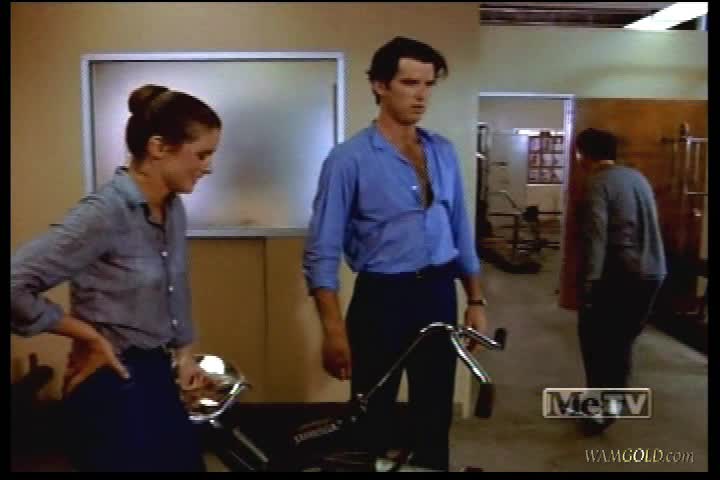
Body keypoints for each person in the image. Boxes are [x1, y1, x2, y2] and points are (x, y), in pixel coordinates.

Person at [11, 84, 222, 471]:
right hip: (112, 376)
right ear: (158, 147)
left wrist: (184, 354)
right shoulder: (104, 213)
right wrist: (87, 335)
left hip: (157, 374)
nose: (209, 167)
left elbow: (175, 283)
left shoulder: (172, 208)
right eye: (202, 154)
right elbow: (14, 283)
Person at [302, 36, 489, 471]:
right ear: (380, 85)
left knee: (435, 414)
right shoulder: (348, 160)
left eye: (428, 84)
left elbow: (460, 228)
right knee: (371, 416)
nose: (421, 95)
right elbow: (322, 250)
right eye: (409, 83)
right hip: (382, 298)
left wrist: (476, 299)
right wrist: (333, 330)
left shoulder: (442, 151)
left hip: (438, 293)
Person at [574, 128, 666, 434]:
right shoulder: (637, 178)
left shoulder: (598, 183)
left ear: (583, 154)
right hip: (652, 272)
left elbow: (596, 236)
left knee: (597, 343)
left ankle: (601, 410)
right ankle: (609, 403)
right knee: (620, 343)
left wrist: (589, 283)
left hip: (620, 275)